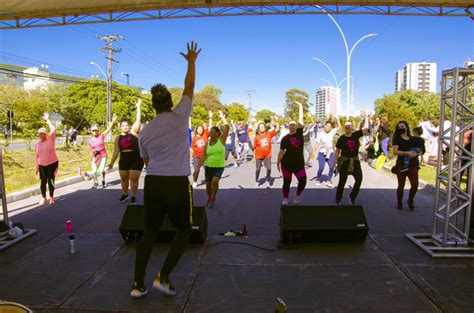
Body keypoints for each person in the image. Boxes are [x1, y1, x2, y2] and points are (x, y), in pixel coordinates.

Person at [131, 41, 201, 299]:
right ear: (170, 102)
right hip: (177, 184)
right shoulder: (181, 114)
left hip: (154, 184)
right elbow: (190, 87)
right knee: (183, 230)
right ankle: (164, 276)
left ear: (152, 106)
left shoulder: (145, 131)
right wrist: (191, 62)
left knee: (149, 232)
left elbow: (147, 162)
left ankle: (138, 284)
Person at [108, 99, 143, 204]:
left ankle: (133, 196)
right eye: (123, 125)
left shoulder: (133, 132)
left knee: (134, 179)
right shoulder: (118, 138)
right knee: (124, 179)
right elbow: (116, 151)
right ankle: (125, 194)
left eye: (127, 125)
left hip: (136, 159)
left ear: (129, 126)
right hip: (124, 159)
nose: (125, 127)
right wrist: (111, 163)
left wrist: (138, 107)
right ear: (120, 127)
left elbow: (138, 120)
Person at [332, 112, 370, 204]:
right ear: (344, 128)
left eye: (349, 125)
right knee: (342, 182)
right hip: (344, 162)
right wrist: (334, 163)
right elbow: (337, 151)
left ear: (351, 126)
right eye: (346, 126)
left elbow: (366, 129)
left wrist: (366, 116)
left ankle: (352, 196)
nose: (348, 127)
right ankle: (338, 198)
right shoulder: (341, 139)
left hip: (355, 161)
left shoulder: (356, 134)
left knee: (359, 179)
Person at [194, 111, 229, 208]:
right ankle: (209, 197)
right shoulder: (208, 143)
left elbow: (227, 128)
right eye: (211, 133)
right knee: (208, 185)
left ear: (218, 134)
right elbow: (203, 156)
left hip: (219, 166)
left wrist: (222, 117)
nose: (212, 135)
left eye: (214, 133)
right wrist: (197, 168)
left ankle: (213, 197)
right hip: (209, 166)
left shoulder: (221, 140)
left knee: (215, 182)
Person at [277, 102, 306, 205]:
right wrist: (277, 162)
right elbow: (281, 152)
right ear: (288, 126)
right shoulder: (285, 138)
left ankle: (297, 197)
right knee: (286, 183)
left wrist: (300, 106)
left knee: (303, 181)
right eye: (291, 124)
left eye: (294, 124)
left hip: (299, 163)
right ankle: (285, 199)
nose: (293, 126)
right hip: (287, 163)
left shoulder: (299, 133)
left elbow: (301, 119)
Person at [392, 121, 424, 210]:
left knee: (415, 184)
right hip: (401, 164)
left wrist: (417, 153)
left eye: (402, 126)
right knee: (401, 185)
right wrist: (407, 153)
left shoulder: (412, 138)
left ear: (406, 127)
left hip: (413, 164)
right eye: (399, 127)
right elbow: (395, 151)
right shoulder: (396, 138)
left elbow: (420, 149)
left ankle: (410, 199)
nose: (401, 128)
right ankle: (399, 203)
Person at [35, 113, 59, 205]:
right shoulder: (37, 145)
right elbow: (37, 157)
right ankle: (43, 198)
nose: (41, 135)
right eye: (40, 134)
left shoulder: (51, 139)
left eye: (43, 134)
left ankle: (51, 197)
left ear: (46, 134)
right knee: (43, 182)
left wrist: (47, 120)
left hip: (52, 163)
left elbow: (53, 129)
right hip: (42, 165)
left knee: (50, 180)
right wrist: (37, 168)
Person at [88, 116, 117, 189]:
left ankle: (103, 181)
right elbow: (90, 150)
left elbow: (108, 129)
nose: (94, 132)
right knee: (94, 171)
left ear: (98, 131)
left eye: (96, 130)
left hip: (103, 155)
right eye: (93, 130)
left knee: (101, 170)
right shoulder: (89, 140)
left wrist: (113, 121)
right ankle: (96, 183)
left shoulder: (101, 135)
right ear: (91, 132)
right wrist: (91, 158)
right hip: (95, 156)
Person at [314, 115, 341, 187]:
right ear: (324, 126)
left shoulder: (332, 132)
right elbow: (317, 144)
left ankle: (329, 180)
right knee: (321, 167)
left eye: (329, 126)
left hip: (330, 153)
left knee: (332, 167)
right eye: (327, 126)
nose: (328, 127)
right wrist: (313, 153)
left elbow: (339, 126)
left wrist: (337, 117)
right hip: (322, 153)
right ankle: (318, 178)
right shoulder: (320, 134)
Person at [254, 116, 279, 188]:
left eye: (263, 126)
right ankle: (256, 180)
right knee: (258, 169)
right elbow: (255, 147)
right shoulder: (257, 137)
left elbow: (277, 129)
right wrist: (254, 158)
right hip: (258, 156)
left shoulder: (269, 134)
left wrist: (276, 121)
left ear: (265, 128)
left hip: (267, 155)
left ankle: (267, 180)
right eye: (260, 127)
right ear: (258, 129)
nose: (262, 128)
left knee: (269, 168)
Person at [191, 122, 211, 188]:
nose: (200, 130)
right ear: (196, 130)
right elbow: (193, 148)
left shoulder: (205, 134)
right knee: (197, 170)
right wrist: (191, 158)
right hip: (196, 157)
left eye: (201, 129)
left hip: (204, 156)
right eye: (199, 129)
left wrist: (210, 117)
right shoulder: (194, 138)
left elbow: (209, 127)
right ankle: (194, 181)